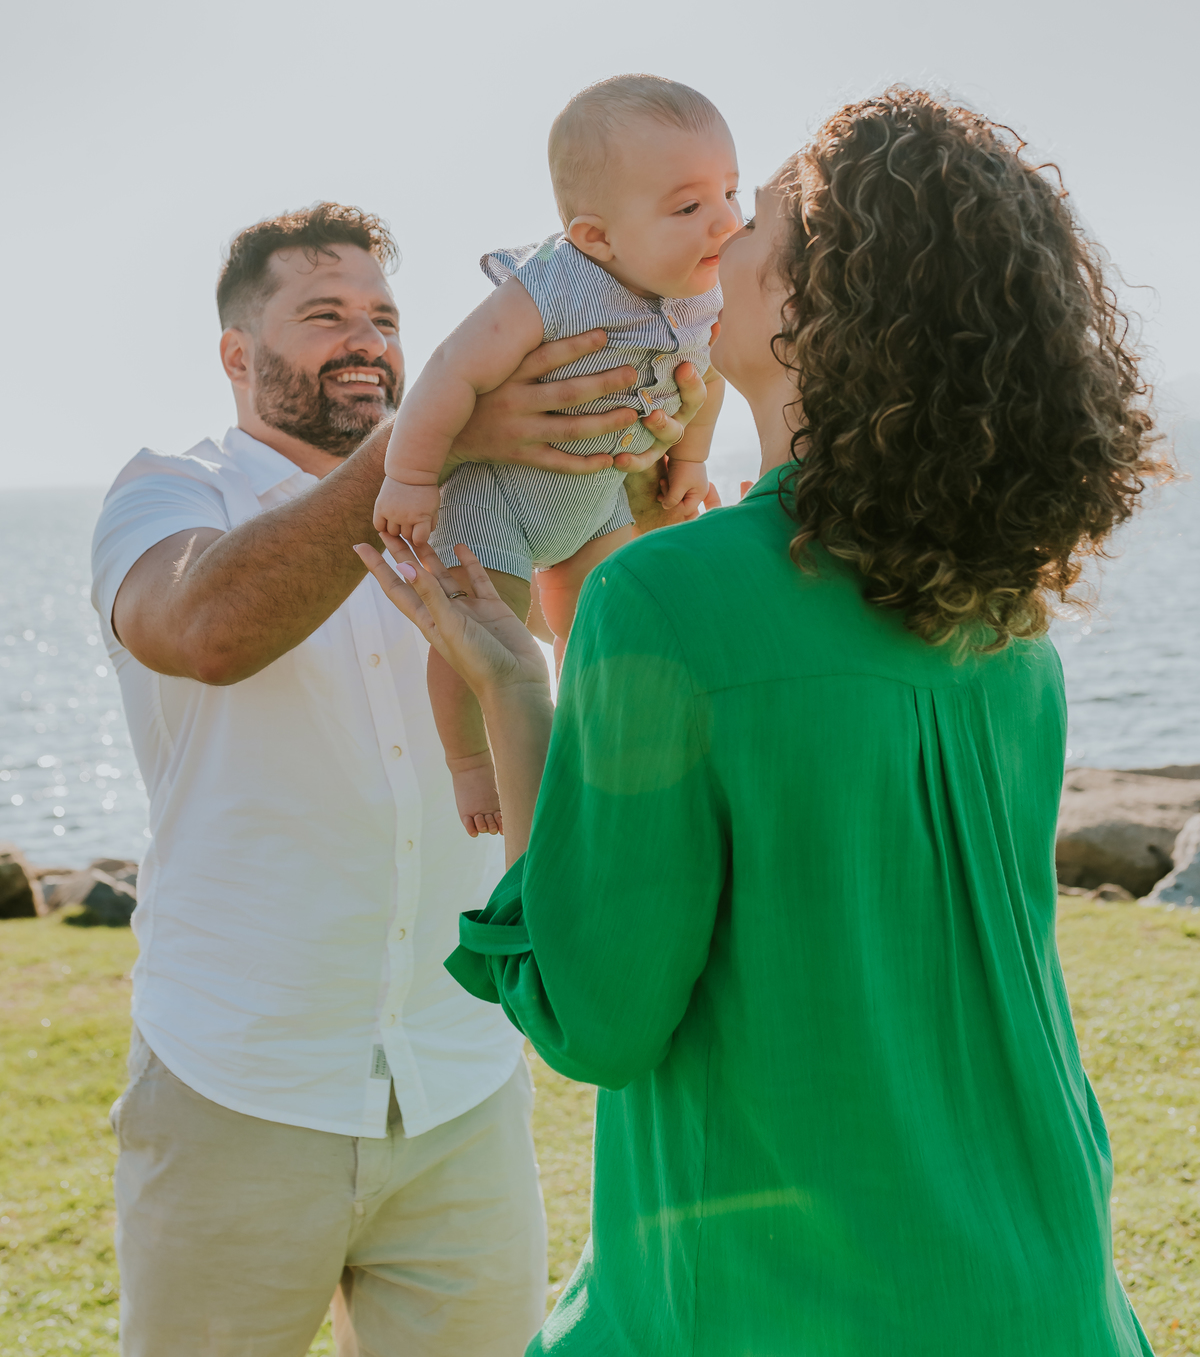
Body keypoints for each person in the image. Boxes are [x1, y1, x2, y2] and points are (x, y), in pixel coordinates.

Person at [359, 90, 1166, 1357]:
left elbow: (596, 1014)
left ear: (809, 308)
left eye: (756, 219)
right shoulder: (1008, 625)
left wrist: (516, 688)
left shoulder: (662, 599)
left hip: (776, 1310)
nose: (720, 238)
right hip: (1050, 1289)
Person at [90, 200, 708, 1357]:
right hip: (237, 1085)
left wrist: (642, 482)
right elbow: (205, 628)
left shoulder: (490, 500)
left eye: (384, 316)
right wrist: (431, 436)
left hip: (461, 1084)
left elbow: (613, 669)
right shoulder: (170, 493)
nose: (368, 339)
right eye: (325, 315)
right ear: (237, 352)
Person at [375, 74, 737, 834]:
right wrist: (410, 475)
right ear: (596, 236)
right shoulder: (551, 287)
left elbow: (709, 377)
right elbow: (452, 369)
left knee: (602, 622)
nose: (727, 222)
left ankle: (590, 747)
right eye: (689, 206)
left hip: (598, 498)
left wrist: (690, 464)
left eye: (732, 194)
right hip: (499, 503)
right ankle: (473, 766)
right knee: (479, 629)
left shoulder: (703, 296)